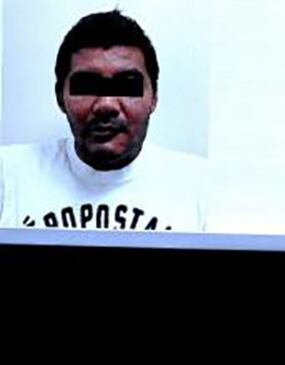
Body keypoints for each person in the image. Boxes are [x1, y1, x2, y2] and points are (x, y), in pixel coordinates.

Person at [0, 10, 206, 232]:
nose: (106, 104)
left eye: (127, 86)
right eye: (87, 86)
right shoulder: (9, 175)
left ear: (154, 97)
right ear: (60, 97)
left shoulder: (200, 187)